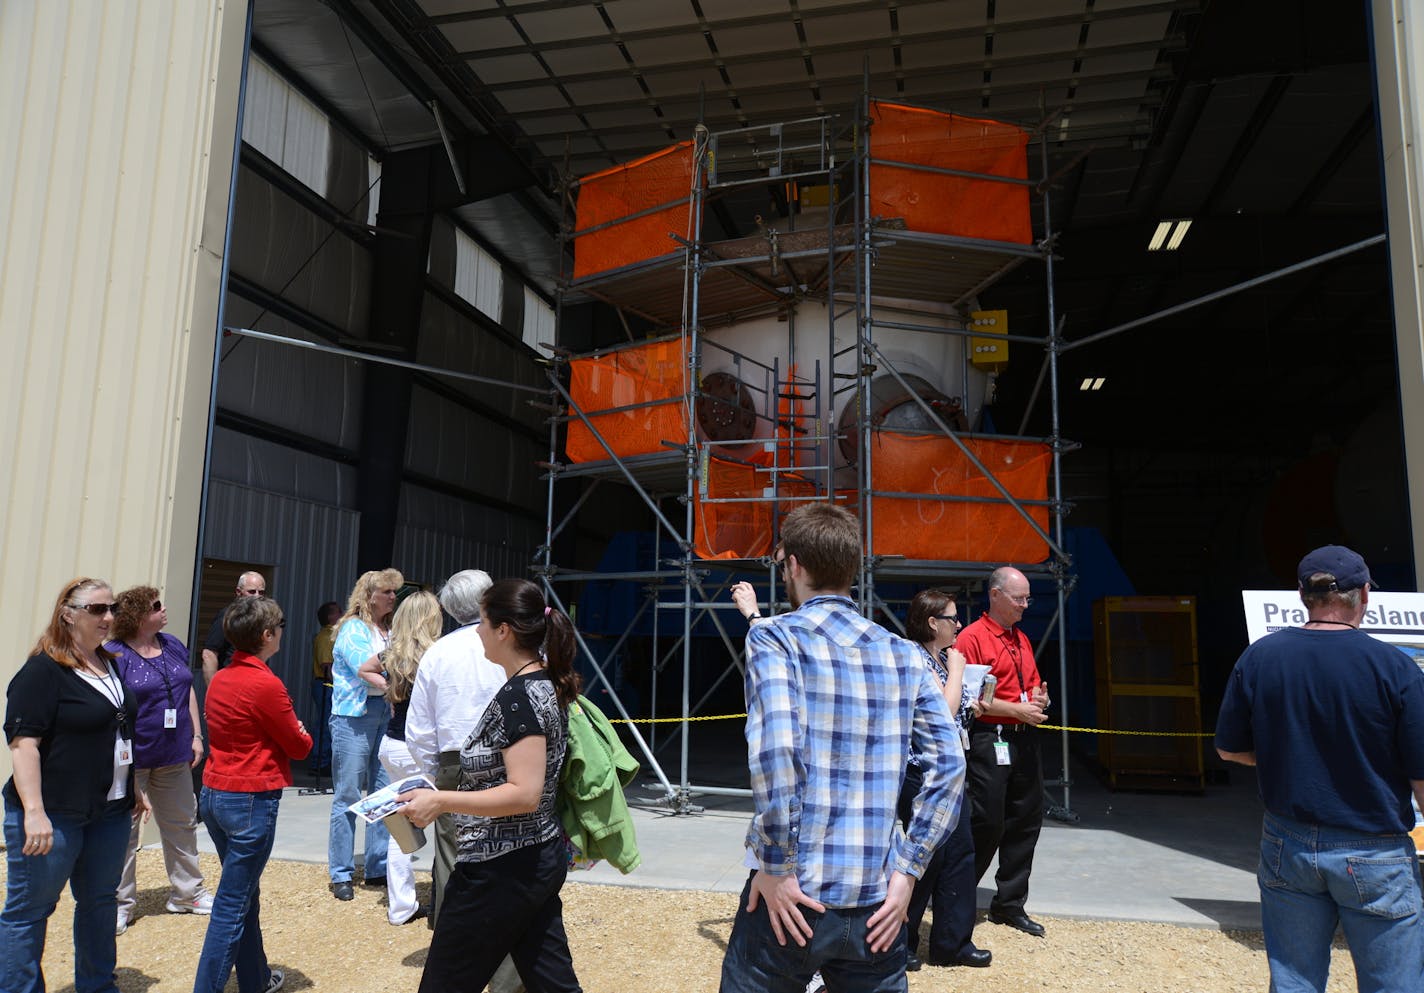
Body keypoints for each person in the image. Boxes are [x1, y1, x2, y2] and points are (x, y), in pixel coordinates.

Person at [719, 504, 962, 993]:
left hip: (796, 893)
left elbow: (777, 753)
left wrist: (776, 865)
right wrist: (909, 870)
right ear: (852, 568)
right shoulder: (905, 653)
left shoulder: (774, 638)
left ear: (794, 566)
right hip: (878, 897)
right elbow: (950, 764)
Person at [1216, 545, 1424, 992]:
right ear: (1364, 595)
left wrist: (1282, 756)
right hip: (1374, 848)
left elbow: (1230, 751)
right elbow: (1422, 776)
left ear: (1301, 595)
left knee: (1294, 981)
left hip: (1286, 841)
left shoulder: (1260, 657)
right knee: (1394, 984)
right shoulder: (1396, 668)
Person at [397, 579, 585, 993]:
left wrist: (441, 800)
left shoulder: (521, 697)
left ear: (504, 631)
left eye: (483, 622)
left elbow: (524, 792)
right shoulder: (539, 685)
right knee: (550, 978)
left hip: (502, 865)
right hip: (529, 859)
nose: (477, 631)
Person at [0, 578, 144, 993]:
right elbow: (24, 745)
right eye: (97, 609)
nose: (109, 617)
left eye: (112, 608)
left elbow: (118, 731)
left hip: (109, 811)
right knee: (30, 909)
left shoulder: (110, 662)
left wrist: (131, 785)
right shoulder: (42, 671)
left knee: (100, 903)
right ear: (69, 614)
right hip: (55, 813)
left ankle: (98, 986)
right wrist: (34, 811)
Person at [194, 594, 311, 993]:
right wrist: (302, 731)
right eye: (279, 627)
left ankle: (255, 979)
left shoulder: (223, 677)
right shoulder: (265, 684)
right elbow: (300, 746)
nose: (281, 633)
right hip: (249, 798)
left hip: (216, 792)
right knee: (232, 905)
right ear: (266, 635)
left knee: (243, 895)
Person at [107, 585, 211, 936]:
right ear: (137, 616)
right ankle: (119, 906)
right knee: (125, 833)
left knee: (182, 823)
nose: (163, 609)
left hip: (174, 755)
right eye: (155, 606)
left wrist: (196, 735)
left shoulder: (172, 644)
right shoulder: (114, 654)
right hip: (132, 760)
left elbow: (187, 690)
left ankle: (188, 894)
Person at [405, 569, 505, 926]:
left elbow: (418, 727)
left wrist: (429, 772)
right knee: (509, 847)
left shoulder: (438, 653)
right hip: (508, 759)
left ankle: (452, 943)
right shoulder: (511, 644)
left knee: (451, 853)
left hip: (453, 762)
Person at [957, 565, 1049, 937]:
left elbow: (1028, 684)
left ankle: (1009, 904)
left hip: (1023, 737)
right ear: (995, 595)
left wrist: (1039, 698)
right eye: (1018, 598)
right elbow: (968, 699)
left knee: (1026, 819)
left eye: (1028, 598)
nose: (1025, 605)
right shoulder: (972, 638)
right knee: (987, 820)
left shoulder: (1021, 638)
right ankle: (959, 897)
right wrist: (1017, 710)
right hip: (989, 736)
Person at [899, 589, 988, 969]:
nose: (959, 626)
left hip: (950, 772)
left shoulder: (938, 660)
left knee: (960, 855)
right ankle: (899, 943)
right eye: (953, 619)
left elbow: (954, 716)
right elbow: (940, 711)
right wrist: (956, 673)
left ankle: (952, 943)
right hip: (923, 773)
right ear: (933, 622)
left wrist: (974, 706)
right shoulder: (914, 659)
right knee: (925, 858)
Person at [358, 590, 441, 926]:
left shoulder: (393, 653)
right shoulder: (437, 655)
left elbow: (365, 669)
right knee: (448, 825)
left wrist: (389, 688)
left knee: (400, 827)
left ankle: (401, 905)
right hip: (420, 748)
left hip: (392, 744)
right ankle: (442, 900)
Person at [327, 567, 402, 900]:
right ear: (369, 595)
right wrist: (396, 690)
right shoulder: (352, 629)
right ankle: (341, 872)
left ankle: (376, 865)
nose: (392, 596)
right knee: (348, 794)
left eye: (393, 591)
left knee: (384, 792)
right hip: (354, 717)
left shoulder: (388, 630)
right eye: (386, 591)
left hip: (383, 713)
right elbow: (364, 668)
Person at [201, 571, 267, 685]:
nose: (257, 596)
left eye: (261, 592)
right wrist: (214, 690)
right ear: (238, 592)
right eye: (252, 592)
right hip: (230, 686)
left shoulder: (261, 619)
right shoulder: (228, 616)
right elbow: (209, 655)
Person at [309, 601, 340, 775]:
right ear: (330, 617)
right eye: (338, 612)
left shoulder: (333, 635)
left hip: (327, 684)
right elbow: (327, 665)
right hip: (326, 684)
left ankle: (323, 760)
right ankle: (320, 763)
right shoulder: (326, 637)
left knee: (328, 723)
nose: (342, 615)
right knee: (325, 724)